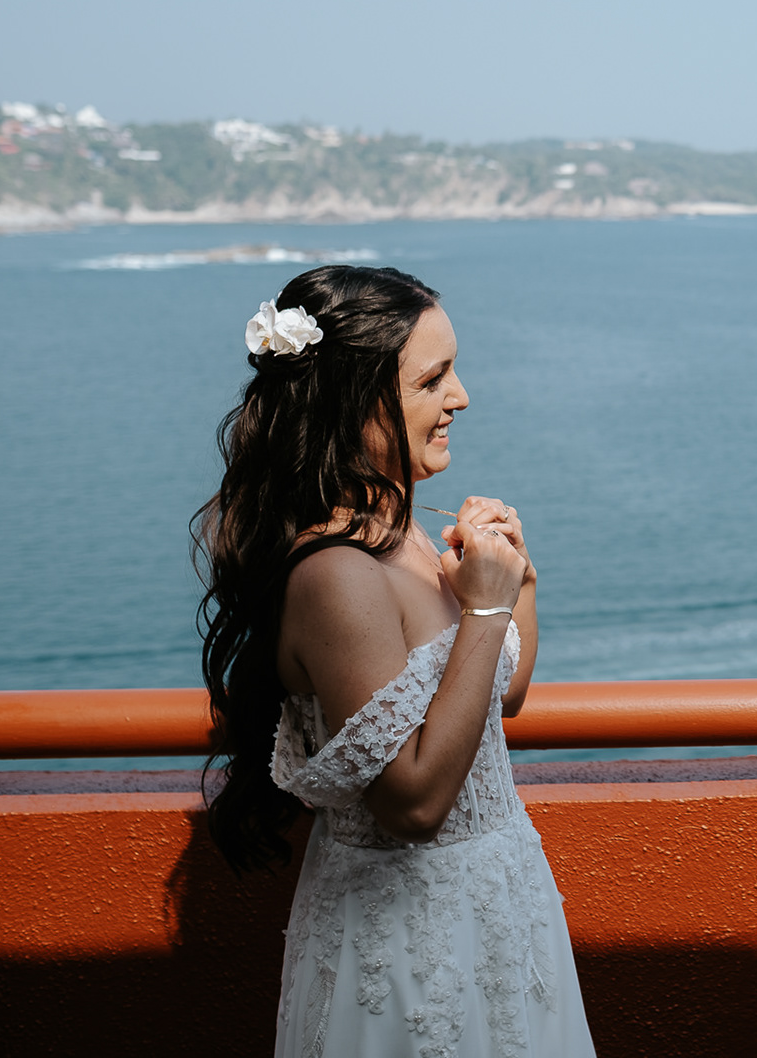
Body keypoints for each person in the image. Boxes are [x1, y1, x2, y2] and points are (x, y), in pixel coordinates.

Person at [195, 264, 596, 1057]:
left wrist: (515, 579)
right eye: (432, 379)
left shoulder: (404, 530)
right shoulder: (337, 573)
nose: (461, 397)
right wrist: (484, 608)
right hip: (411, 942)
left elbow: (500, 695)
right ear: (353, 399)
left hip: (502, 908)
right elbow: (412, 805)